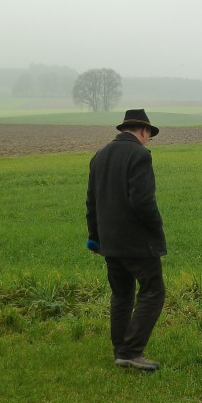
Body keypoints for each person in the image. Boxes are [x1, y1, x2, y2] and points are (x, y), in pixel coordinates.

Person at [86, 109, 167, 371]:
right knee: (153, 292)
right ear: (143, 131)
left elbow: (91, 203)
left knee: (121, 295)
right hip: (137, 242)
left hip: (109, 241)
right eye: (149, 136)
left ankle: (121, 350)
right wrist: (156, 230)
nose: (148, 141)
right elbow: (143, 202)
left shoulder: (99, 156)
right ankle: (131, 351)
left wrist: (95, 238)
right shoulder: (140, 155)